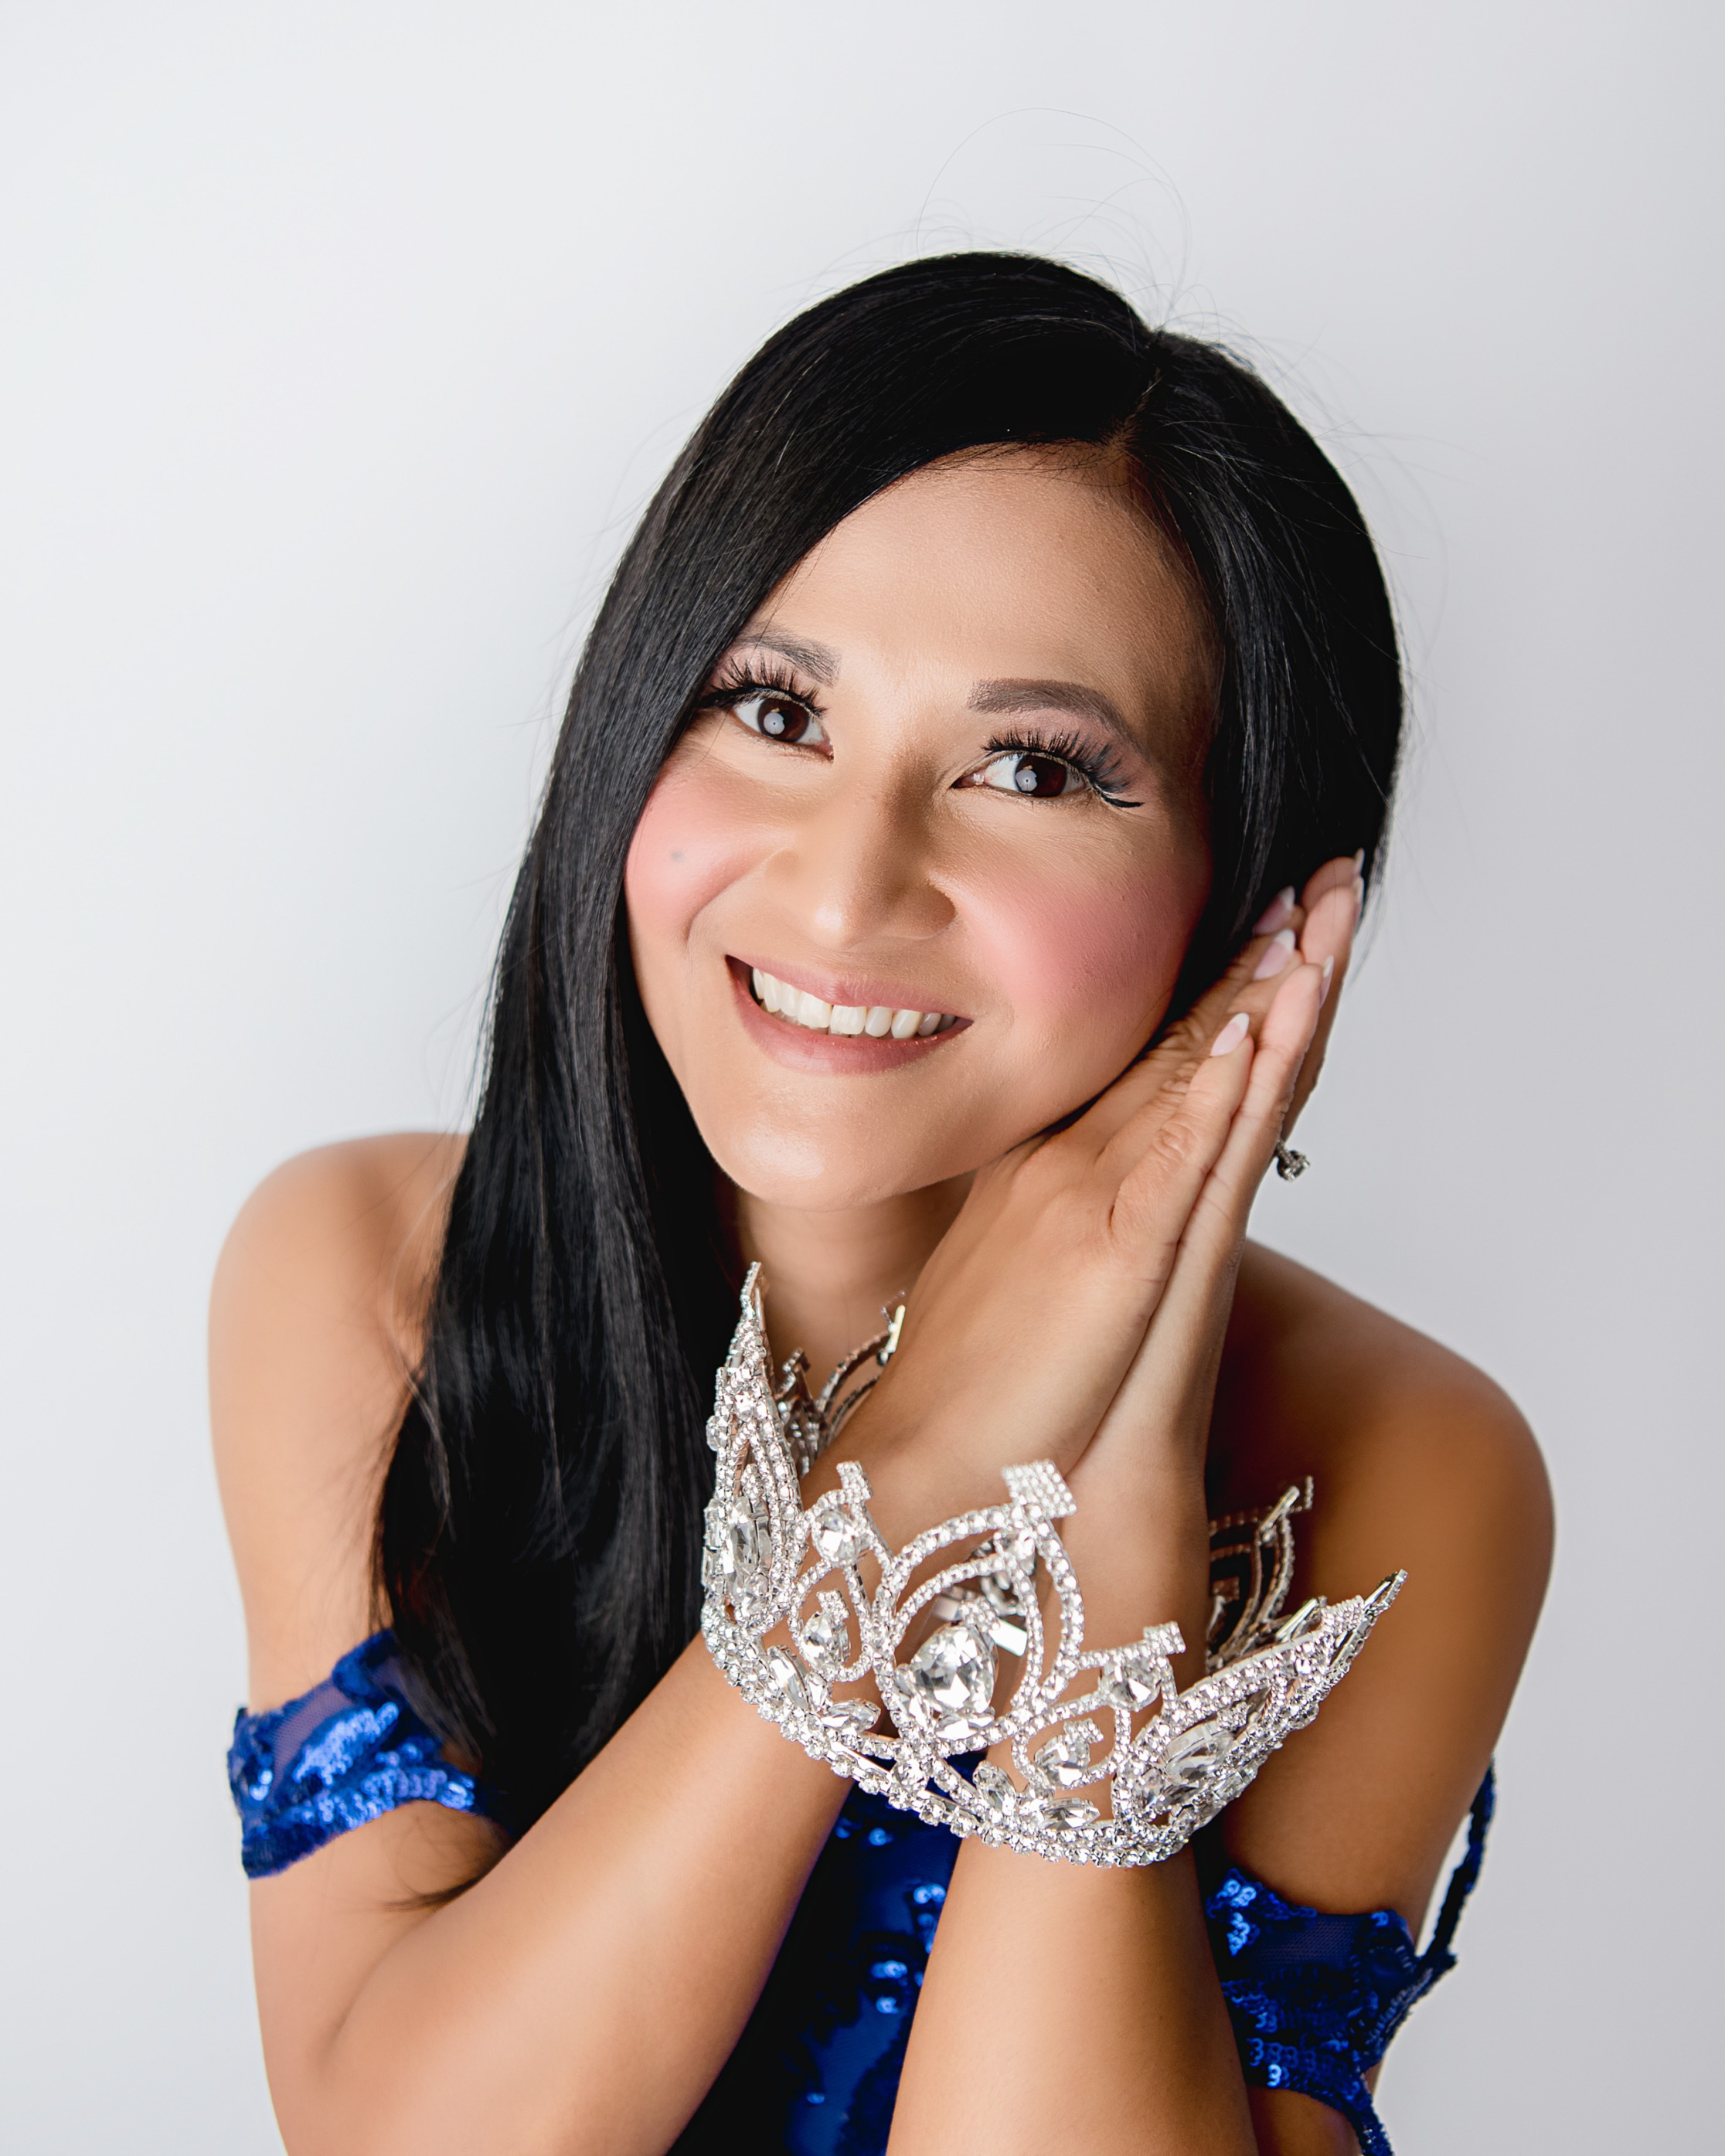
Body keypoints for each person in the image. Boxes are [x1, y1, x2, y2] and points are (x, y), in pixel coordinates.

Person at [211, 253, 1551, 2156]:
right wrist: (910, 1479)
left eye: (1033, 767)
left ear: (1251, 902)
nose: (846, 891)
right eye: (774, 709)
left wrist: (1117, 1527)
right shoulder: (378, 1278)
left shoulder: (1398, 1467)